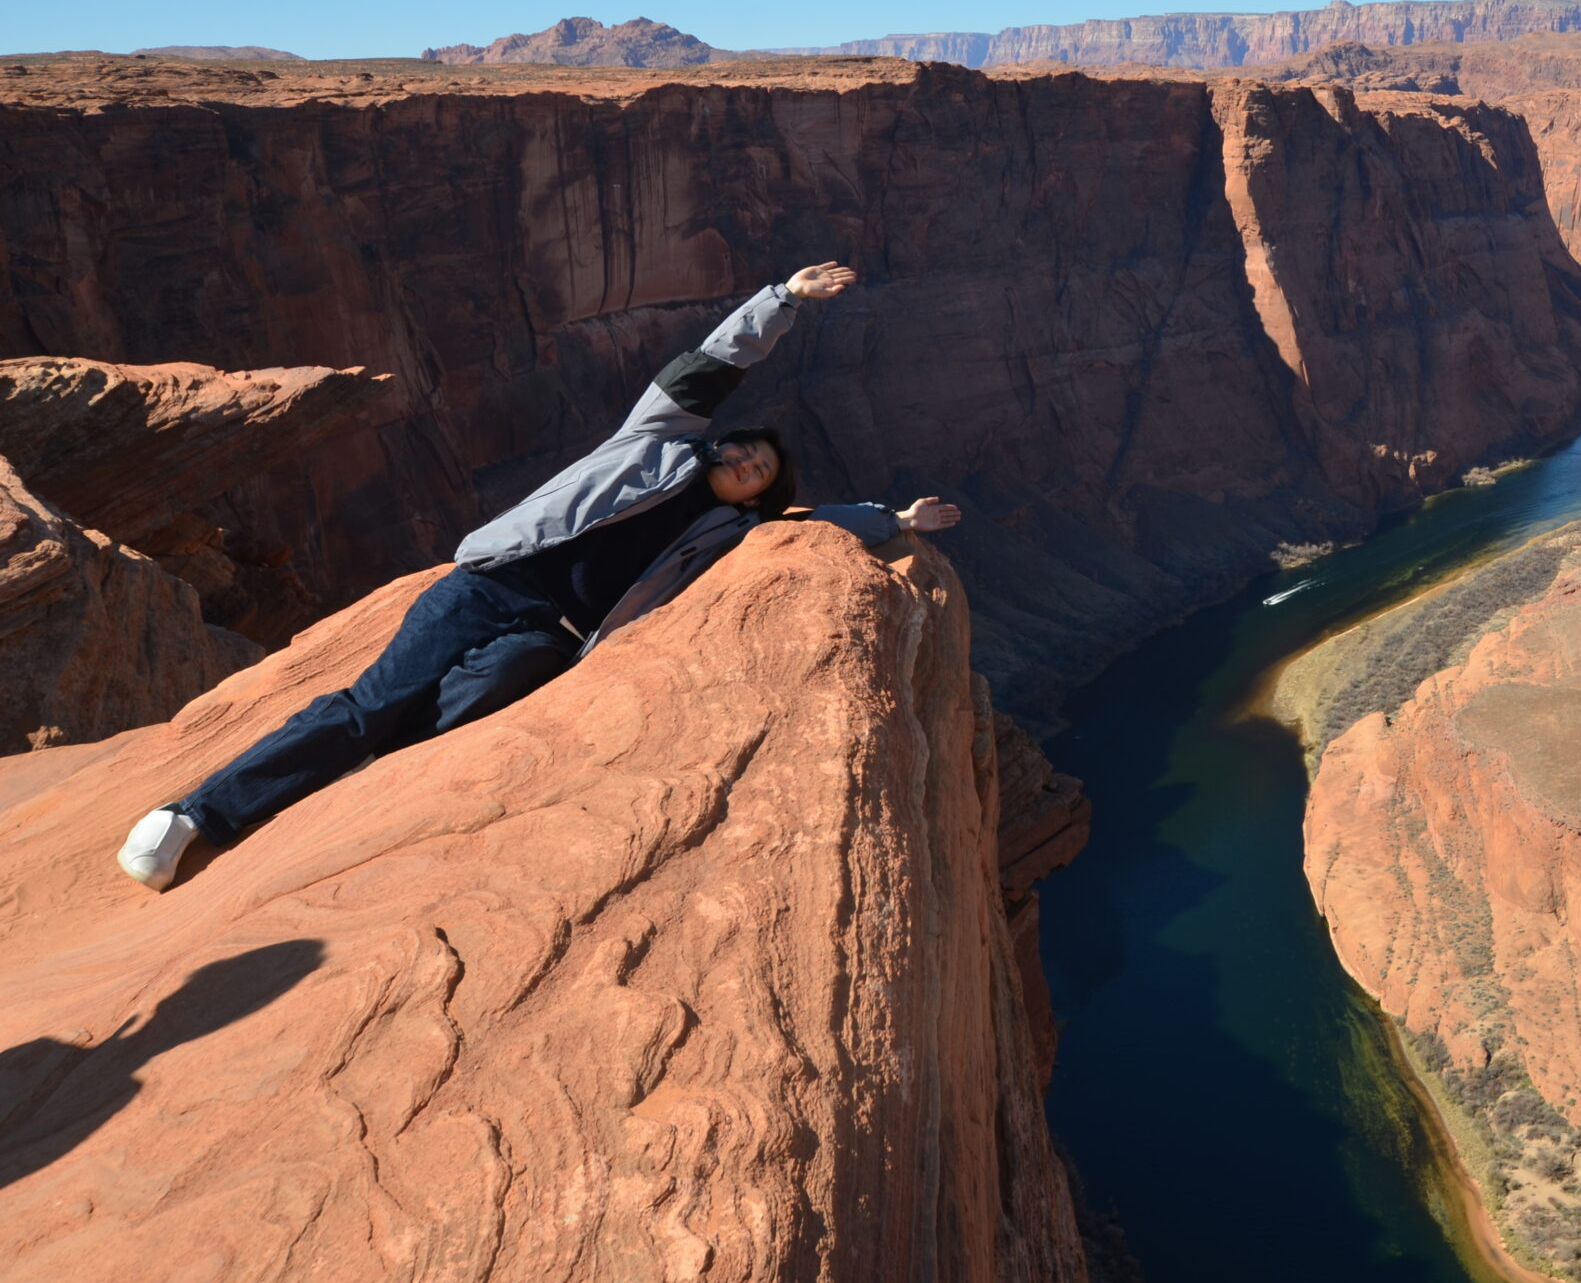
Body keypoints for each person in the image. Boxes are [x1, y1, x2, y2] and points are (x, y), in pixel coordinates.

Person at [116, 262, 960, 891]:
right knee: (372, 705)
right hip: (489, 584)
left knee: (452, 718)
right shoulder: (655, 439)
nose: (745, 458)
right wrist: (783, 299)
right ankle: (194, 814)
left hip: (546, 636)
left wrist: (893, 522)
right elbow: (712, 362)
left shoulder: (734, 529)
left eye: (761, 466)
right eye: (743, 446)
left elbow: (811, 530)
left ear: (765, 490)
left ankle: (344, 785)